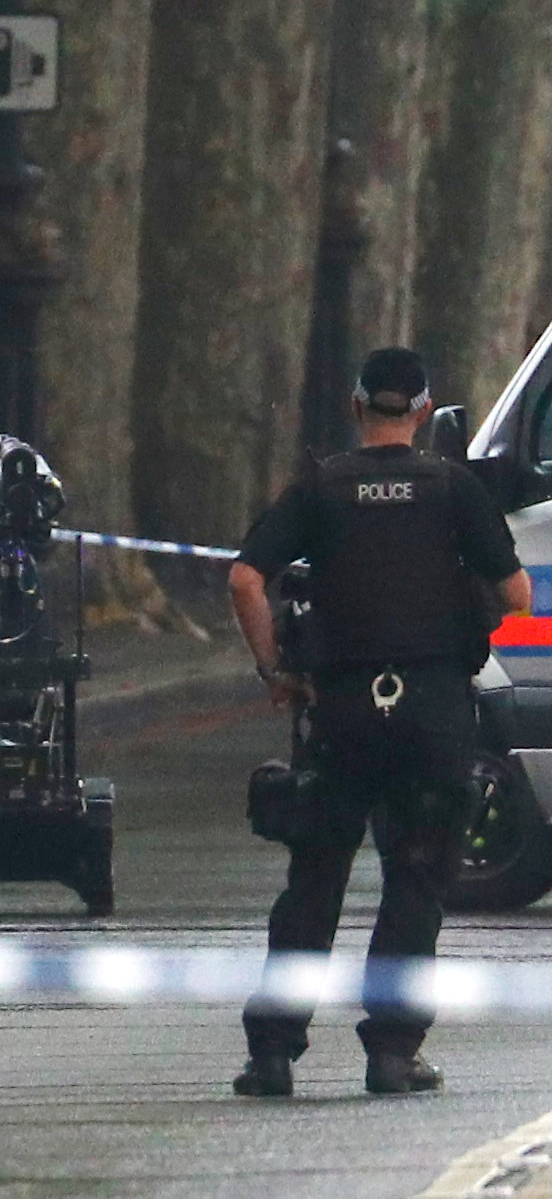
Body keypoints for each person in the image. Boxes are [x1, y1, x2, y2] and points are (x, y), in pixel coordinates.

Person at [228, 347, 532, 1098]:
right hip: (431, 710)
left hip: (343, 712)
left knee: (316, 880)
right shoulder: (453, 489)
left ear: (357, 407)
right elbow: (519, 593)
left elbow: (244, 577)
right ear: (424, 411)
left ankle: (272, 1053)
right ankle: (393, 1053)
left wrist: (278, 672)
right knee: (416, 880)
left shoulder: (319, 489)